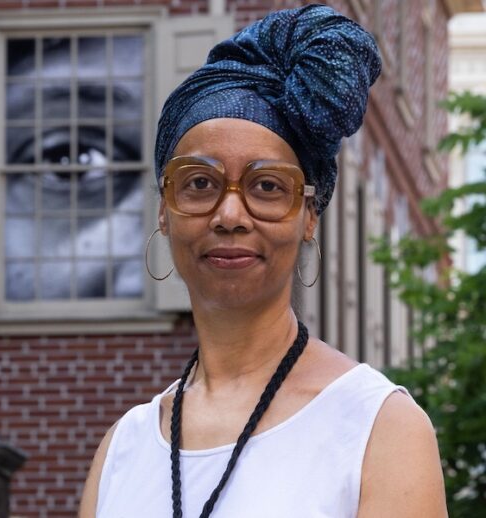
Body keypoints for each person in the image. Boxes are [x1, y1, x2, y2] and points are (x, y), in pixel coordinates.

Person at [79, 5, 447, 518]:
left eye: (267, 186)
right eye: (200, 184)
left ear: (309, 216)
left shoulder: (377, 430)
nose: (230, 214)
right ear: (164, 211)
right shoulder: (122, 450)